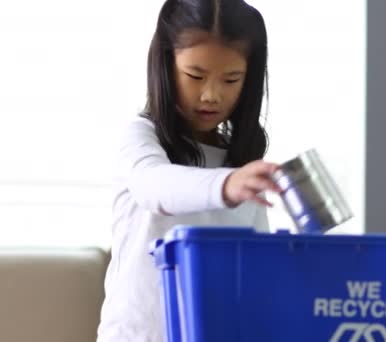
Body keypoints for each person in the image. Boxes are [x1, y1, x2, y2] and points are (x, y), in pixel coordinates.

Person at [97, 0, 278, 340]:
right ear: (166, 65)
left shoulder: (241, 167)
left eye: (231, 79)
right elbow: (155, 187)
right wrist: (227, 186)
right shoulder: (140, 138)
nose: (211, 95)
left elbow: (257, 265)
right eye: (195, 75)